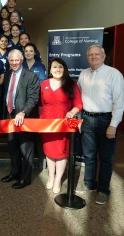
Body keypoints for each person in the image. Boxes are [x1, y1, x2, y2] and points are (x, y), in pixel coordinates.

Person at [77, 45, 124, 205]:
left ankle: (103, 190)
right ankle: (89, 184)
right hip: (86, 119)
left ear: (104, 57)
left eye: (97, 54)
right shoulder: (84, 74)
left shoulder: (114, 74)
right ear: (87, 57)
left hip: (106, 120)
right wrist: (78, 119)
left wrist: (114, 124)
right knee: (89, 156)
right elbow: (78, 99)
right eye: (90, 55)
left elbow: (120, 101)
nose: (94, 57)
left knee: (106, 158)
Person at [40, 58, 82, 194]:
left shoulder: (72, 84)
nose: (57, 69)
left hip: (64, 124)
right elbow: (40, 104)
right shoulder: (44, 84)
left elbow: (79, 104)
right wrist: (41, 122)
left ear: (64, 69)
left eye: (60, 67)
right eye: (54, 67)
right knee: (49, 152)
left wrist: (72, 112)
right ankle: (51, 177)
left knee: (62, 153)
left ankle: (58, 180)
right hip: (47, 124)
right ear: (50, 70)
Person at [0, 49, 39, 189]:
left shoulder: (31, 76)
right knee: (12, 146)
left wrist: (23, 112)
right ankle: (15, 173)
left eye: (17, 60)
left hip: (24, 117)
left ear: (21, 60)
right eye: (12, 60)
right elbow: (6, 94)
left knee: (26, 149)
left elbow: (33, 98)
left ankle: (26, 178)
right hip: (10, 116)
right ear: (9, 61)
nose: (14, 63)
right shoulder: (8, 74)